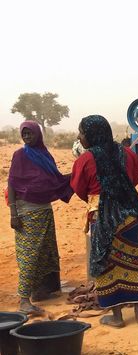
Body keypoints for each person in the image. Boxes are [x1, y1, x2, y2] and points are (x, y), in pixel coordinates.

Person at [70, 115, 138, 328]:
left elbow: (78, 187)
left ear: (92, 135)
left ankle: (116, 317)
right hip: (131, 214)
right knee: (135, 261)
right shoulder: (127, 154)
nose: (79, 136)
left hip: (103, 217)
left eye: (82, 132)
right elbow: (134, 179)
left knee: (106, 264)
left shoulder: (85, 159)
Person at [7, 121, 73, 313]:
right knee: (30, 255)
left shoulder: (45, 155)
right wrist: (13, 213)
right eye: (24, 134)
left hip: (44, 211)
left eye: (30, 133)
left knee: (46, 252)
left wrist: (78, 172)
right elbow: (12, 184)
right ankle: (24, 300)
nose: (27, 137)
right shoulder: (19, 155)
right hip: (26, 212)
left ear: (38, 134)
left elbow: (56, 180)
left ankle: (40, 291)